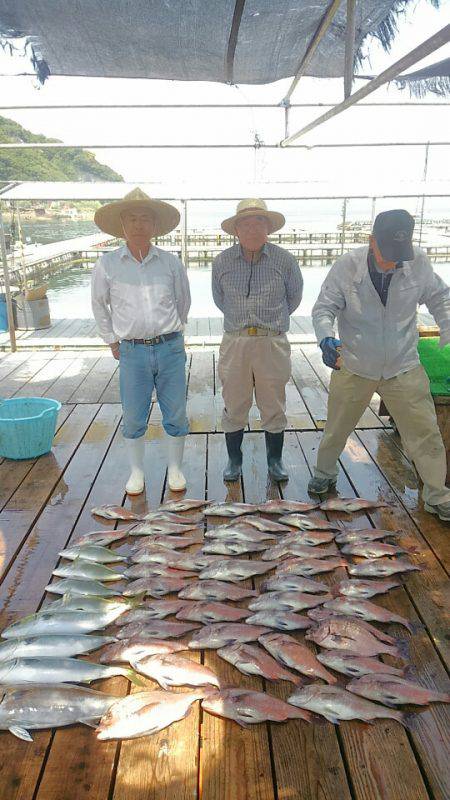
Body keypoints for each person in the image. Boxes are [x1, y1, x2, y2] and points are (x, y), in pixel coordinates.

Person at [308, 208, 450, 522]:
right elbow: (324, 307)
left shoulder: (418, 262)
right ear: (372, 241)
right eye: (386, 252)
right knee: (337, 426)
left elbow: (441, 297)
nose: (392, 261)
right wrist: (324, 338)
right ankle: (324, 472)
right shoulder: (347, 266)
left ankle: (437, 495)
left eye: (399, 254)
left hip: (403, 363)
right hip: (356, 362)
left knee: (425, 433)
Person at [91, 188, 190, 495]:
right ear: (122, 225)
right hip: (131, 351)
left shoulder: (171, 263)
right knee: (133, 414)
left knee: (175, 412)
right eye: (131, 218)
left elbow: (183, 302)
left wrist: (172, 333)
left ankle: (175, 468)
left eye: (144, 218)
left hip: (170, 347)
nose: (138, 224)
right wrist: (111, 340)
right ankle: (137, 472)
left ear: (154, 225)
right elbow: (99, 304)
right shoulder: (107, 264)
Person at [212, 198, 303, 482]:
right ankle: (234, 459)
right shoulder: (222, 261)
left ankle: (274, 460)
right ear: (236, 230)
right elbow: (219, 299)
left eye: (259, 223)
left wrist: (270, 323)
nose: (253, 229)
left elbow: (294, 297)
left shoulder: (285, 260)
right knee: (234, 401)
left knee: (273, 402)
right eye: (246, 224)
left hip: (271, 341)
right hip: (235, 341)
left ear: (268, 228)